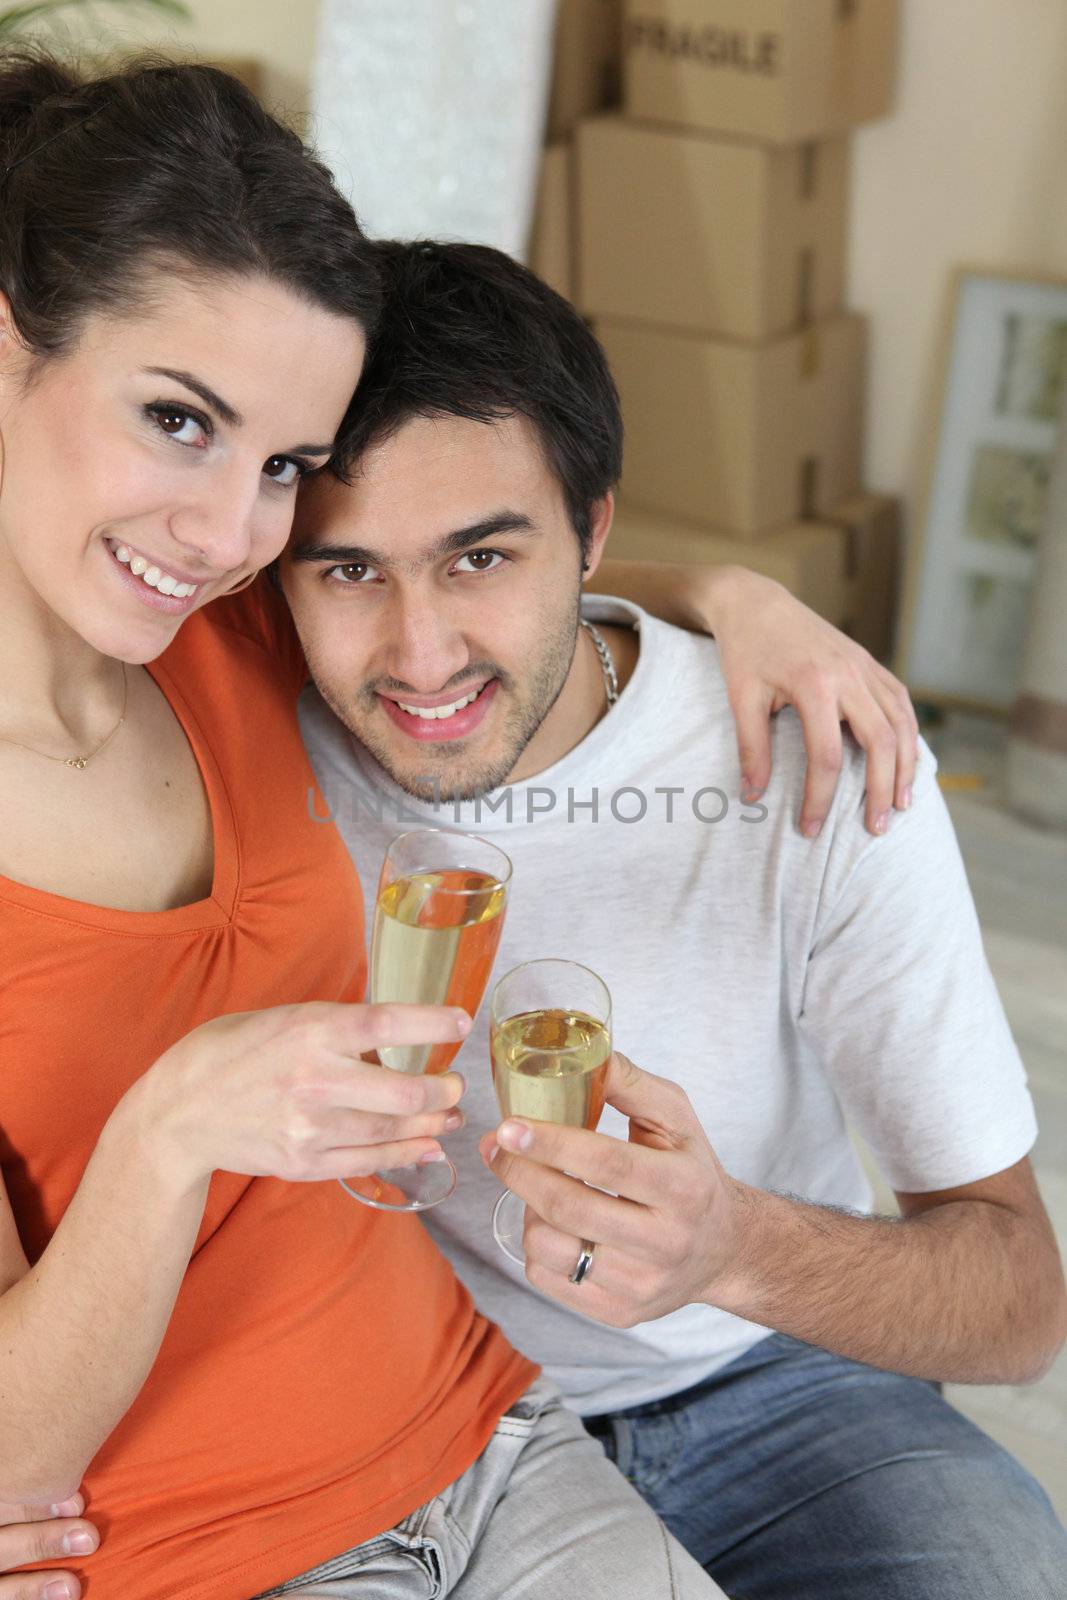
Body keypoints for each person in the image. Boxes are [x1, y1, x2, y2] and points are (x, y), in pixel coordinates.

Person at [0, 52, 920, 1600]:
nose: (233, 528)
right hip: (204, 1554)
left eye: (282, 464)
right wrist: (167, 1134)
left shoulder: (219, 630)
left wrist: (736, 598)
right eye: (178, 419)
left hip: (491, 1443)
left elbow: (471, 567)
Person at [260, 240, 1064, 1599]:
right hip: (420, 1414)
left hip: (774, 1383)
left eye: (480, 558)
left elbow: (1017, 1299)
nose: (419, 653)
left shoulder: (820, 763)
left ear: (594, 531)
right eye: (348, 572)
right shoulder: (243, 720)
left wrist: (734, 1247)